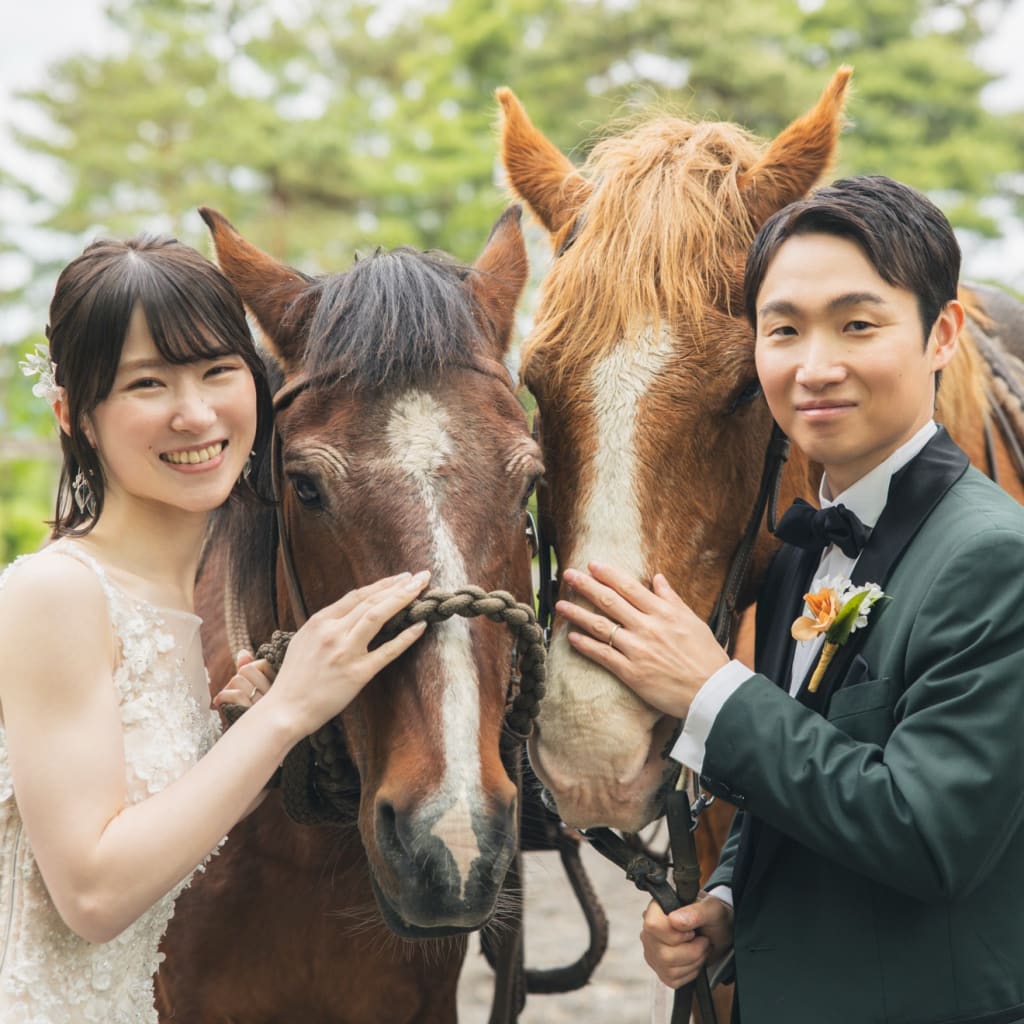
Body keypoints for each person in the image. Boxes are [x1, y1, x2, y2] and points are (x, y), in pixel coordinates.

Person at [557, 176, 1024, 1023]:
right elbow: (812, 766)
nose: (814, 367)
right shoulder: (798, 549)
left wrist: (710, 693)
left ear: (941, 333)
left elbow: (927, 834)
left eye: (857, 325)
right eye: (783, 331)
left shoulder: (995, 559)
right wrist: (731, 900)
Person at [0, 234, 430, 1023]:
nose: (194, 413)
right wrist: (283, 714)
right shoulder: (56, 591)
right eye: (147, 383)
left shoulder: (181, 595)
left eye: (217, 371)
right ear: (74, 414)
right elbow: (92, 895)